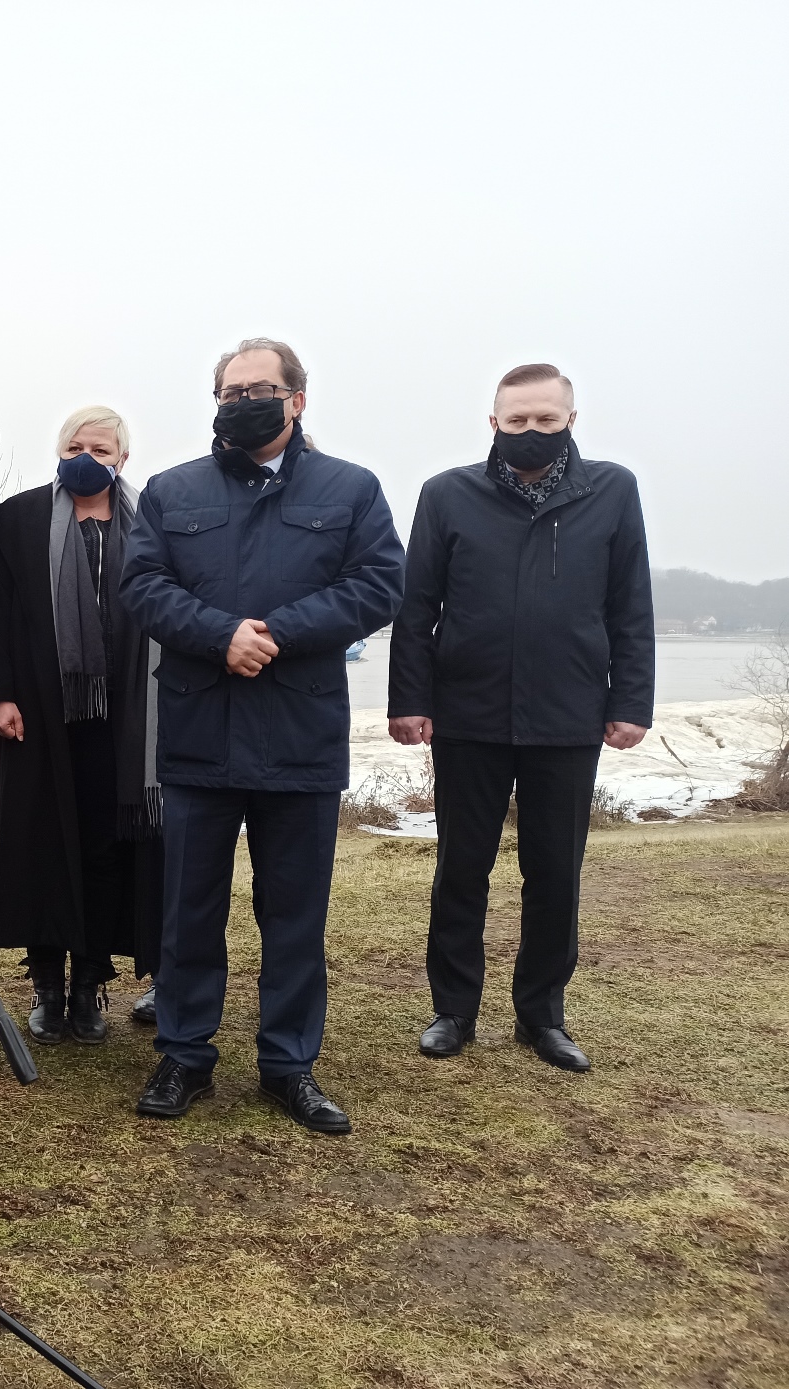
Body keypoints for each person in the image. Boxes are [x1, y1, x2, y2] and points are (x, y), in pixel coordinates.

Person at [120, 337, 404, 1133]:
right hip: (200, 734)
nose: (244, 402)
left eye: (260, 389)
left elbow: (380, 583)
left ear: (297, 399)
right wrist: (221, 635)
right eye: (230, 391)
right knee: (189, 910)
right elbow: (142, 585)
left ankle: (288, 1064)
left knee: (295, 915)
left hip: (300, 734)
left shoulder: (351, 488)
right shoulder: (173, 490)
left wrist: (276, 631)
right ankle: (184, 1053)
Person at [389, 363, 653, 1073]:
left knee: (555, 872)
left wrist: (631, 702)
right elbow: (416, 608)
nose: (530, 431)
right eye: (516, 421)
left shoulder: (613, 490)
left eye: (545, 419)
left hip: (568, 714)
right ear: (494, 422)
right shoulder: (446, 494)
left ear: (570, 419)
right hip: (467, 713)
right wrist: (410, 700)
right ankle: (453, 1009)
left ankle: (542, 1015)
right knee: (461, 867)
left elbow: (631, 604)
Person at [0, 406, 161, 1044]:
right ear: (60, 452)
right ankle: (46, 986)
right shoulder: (21, 516)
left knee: (106, 849)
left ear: (122, 459)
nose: (88, 458)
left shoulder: (150, 521)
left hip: (126, 719)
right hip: (39, 714)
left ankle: (89, 984)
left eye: (102, 450)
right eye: (76, 447)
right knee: (42, 844)